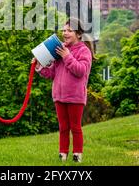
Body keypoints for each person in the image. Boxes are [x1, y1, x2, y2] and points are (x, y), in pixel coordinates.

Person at [33, 18, 95, 163]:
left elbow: (81, 71)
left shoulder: (83, 51)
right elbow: (52, 73)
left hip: (75, 97)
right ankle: (62, 155)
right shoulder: (60, 49)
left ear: (78, 34)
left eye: (69, 31)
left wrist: (67, 56)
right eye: (63, 30)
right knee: (63, 127)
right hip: (59, 96)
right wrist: (39, 67)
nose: (65, 33)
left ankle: (77, 155)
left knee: (75, 127)